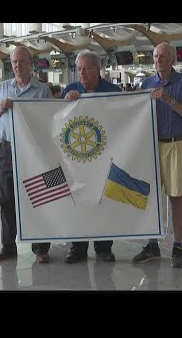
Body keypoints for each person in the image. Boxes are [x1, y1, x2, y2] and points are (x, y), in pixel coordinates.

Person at [132, 42, 182, 268]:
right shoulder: (146, 84)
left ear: (173, 60)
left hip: (176, 144)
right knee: (150, 198)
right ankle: (152, 245)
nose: (158, 60)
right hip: (152, 145)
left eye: (162, 56)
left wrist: (168, 99)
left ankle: (178, 246)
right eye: (155, 56)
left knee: (176, 198)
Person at [0, 46, 53, 264]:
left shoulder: (42, 90)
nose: (17, 65)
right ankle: (8, 247)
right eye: (14, 62)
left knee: (38, 198)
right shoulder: (3, 88)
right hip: (8, 149)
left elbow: (50, 121)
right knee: (7, 200)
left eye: (21, 61)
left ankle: (41, 248)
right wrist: (0, 109)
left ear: (30, 63)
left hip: (33, 150)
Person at [61, 49, 122, 264]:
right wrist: (66, 103)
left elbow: (123, 120)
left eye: (86, 68)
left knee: (103, 201)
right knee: (77, 201)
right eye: (78, 69)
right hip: (76, 158)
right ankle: (77, 248)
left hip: (104, 156)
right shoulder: (69, 90)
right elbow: (57, 120)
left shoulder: (113, 91)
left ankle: (104, 247)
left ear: (97, 69)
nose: (82, 73)